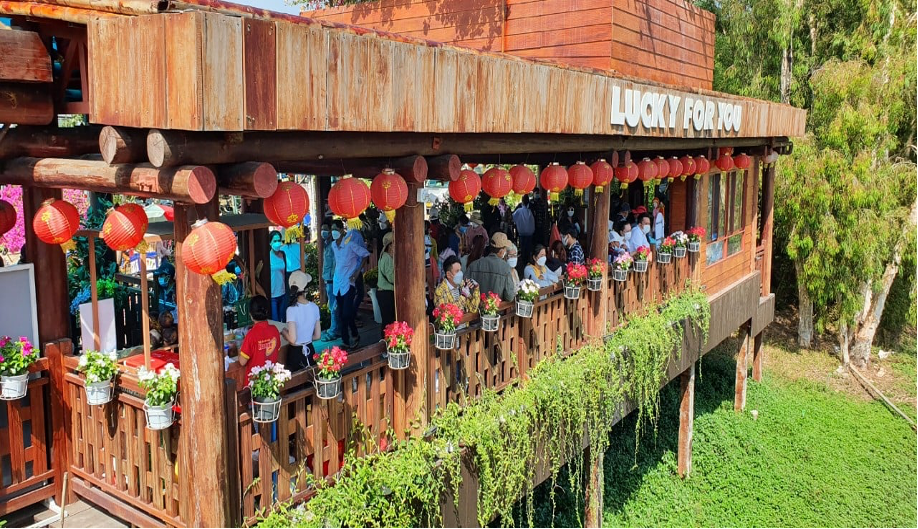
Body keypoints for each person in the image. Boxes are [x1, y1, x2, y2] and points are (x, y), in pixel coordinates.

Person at [331, 223, 370, 350]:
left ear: (342, 231)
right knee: (341, 313)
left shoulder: (350, 244)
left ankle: (354, 334)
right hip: (337, 283)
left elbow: (365, 254)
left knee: (347, 313)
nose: (333, 232)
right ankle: (346, 341)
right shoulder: (333, 245)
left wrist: (357, 271)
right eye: (332, 230)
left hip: (349, 282)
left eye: (335, 229)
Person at [282, 271, 321, 372]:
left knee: (296, 385)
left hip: (295, 354)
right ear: (305, 288)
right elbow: (317, 336)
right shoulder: (314, 307)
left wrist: (284, 332)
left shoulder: (291, 310)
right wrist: (306, 338)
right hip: (310, 350)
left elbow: (293, 339)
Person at [238, 295, 280, 384]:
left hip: (255, 385)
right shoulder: (274, 330)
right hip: (271, 382)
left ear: (250, 315)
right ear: (267, 311)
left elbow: (242, 362)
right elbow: (277, 350)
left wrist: (238, 349)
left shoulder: (251, 335)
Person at [467, 232, 518, 302]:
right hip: (497, 310)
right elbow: (509, 296)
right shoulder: (505, 268)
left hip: (476, 310)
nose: (505, 251)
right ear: (501, 251)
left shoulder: (474, 265)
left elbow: (465, 289)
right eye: (505, 249)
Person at [320, 223, 340, 341]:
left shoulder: (333, 246)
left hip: (333, 280)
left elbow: (334, 264)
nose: (324, 232)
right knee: (333, 306)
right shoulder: (327, 245)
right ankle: (336, 329)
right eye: (322, 229)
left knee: (334, 307)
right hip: (329, 279)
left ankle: (333, 331)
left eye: (326, 229)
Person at [377, 232, 396, 338]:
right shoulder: (387, 258)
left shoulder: (384, 256)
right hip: (386, 293)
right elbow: (391, 278)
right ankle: (385, 343)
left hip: (384, 292)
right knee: (387, 321)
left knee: (387, 320)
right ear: (390, 245)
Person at [512, 194, 536, 270]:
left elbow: (512, 218)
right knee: (528, 249)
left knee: (523, 249)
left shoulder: (519, 211)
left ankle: (523, 262)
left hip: (522, 233)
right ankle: (527, 261)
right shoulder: (530, 211)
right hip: (529, 233)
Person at [269, 231, 288, 322]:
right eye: (275, 241)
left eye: (279, 240)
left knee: (283, 320)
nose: (277, 243)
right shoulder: (267, 256)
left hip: (283, 292)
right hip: (272, 294)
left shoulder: (283, 254)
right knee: (275, 321)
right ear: (270, 243)